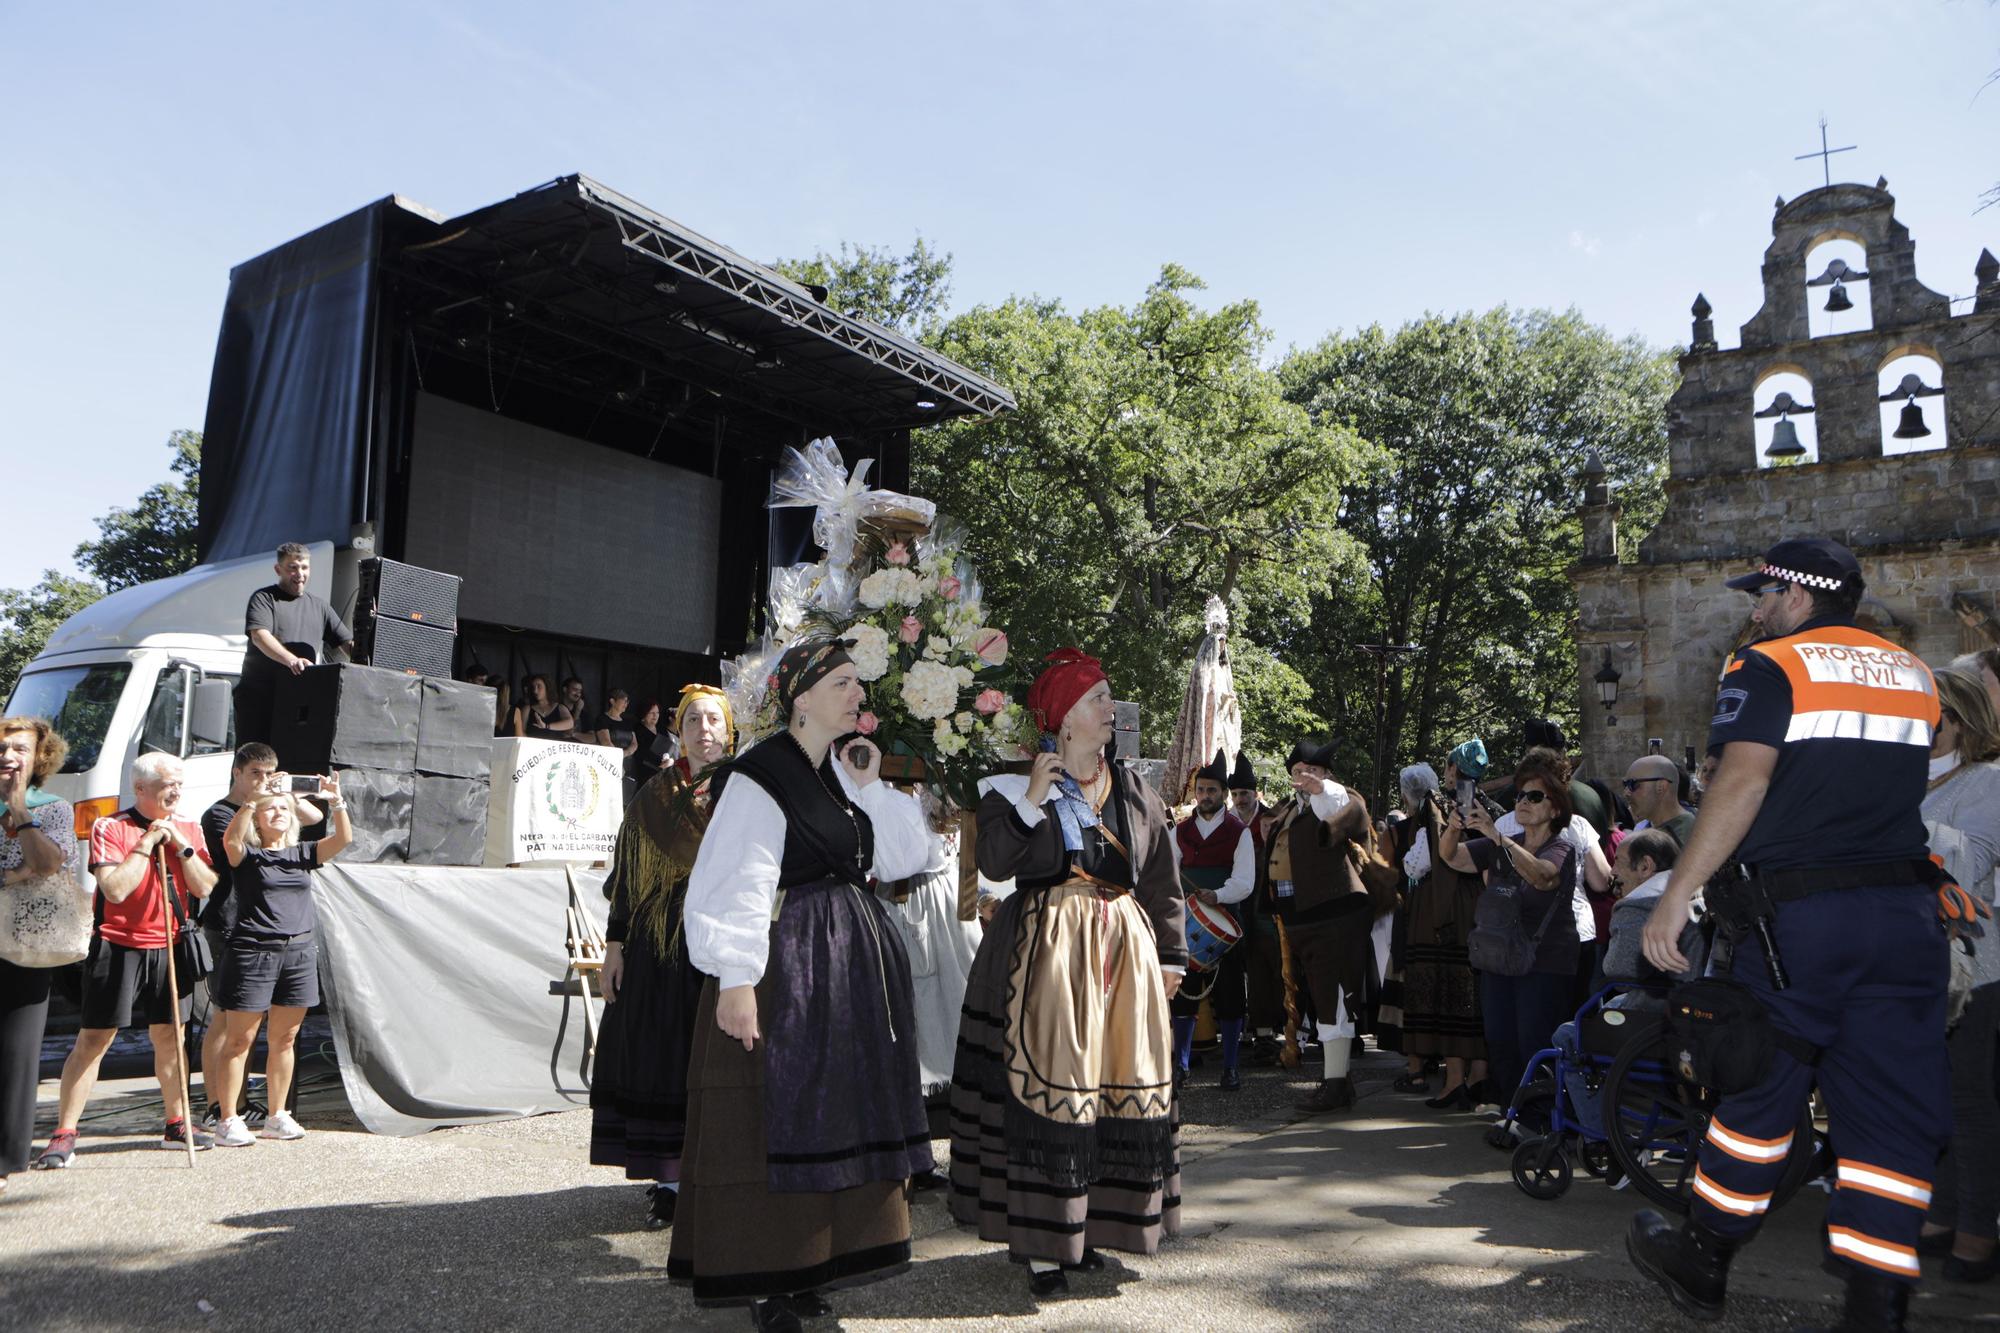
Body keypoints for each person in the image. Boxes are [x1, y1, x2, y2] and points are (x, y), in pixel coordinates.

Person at [1629, 537, 1950, 1331]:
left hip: (1801, 923)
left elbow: (1744, 780)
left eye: (1765, 593)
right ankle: (1877, 1306)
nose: (1756, 608)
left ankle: (1704, 1259)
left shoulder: (1770, 666)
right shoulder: (1916, 675)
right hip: (1907, 923)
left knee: (1754, 1086)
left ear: (1802, 597)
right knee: (1887, 1118)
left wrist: (1678, 894)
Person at [669, 638, 933, 1332]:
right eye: (843, 682)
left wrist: (871, 783)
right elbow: (739, 878)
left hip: (840, 979)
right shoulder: (763, 775)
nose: (858, 695)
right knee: (772, 1118)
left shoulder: (837, 776)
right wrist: (735, 978)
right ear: (802, 696)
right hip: (786, 971)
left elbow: (911, 853)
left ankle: (814, 1263)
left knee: (831, 1116)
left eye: (857, 683)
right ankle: (769, 1281)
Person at [948, 648, 1184, 1300]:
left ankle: (1084, 1235)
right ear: (1065, 719)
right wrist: (1030, 797)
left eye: (1108, 697)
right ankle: (1043, 1249)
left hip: (1121, 955)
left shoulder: (1134, 788)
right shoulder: (1015, 787)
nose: (1111, 709)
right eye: (1097, 699)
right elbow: (992, 861)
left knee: (1111, 1092)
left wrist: (1169, 954)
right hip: (1044, 955)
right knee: (1051, 1094)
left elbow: (1162, 876)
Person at [590, 683, 732, 1230]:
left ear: (729, 730)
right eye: (693, 719)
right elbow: (627, 877)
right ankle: (669, 1181)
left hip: (721, 941)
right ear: (680, 728)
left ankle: (721, 1168)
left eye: (713, 720)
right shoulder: (654, 793)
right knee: (663, 1057)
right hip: (660, 946)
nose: (704, 729)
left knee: (717, 1057)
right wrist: (615, 946)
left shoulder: (746, 790)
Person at [35, 753, 219, 1166]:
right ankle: (64, 1133)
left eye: (179, 784)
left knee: (171, 1037)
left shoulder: (188, 828)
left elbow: (205, 888)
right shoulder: (110, 826)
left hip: (170, 945)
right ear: (141, 788)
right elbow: (115, 889)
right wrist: (146, 844)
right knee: (95, 1039)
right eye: (168, 784)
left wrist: (182, 848)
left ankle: (176, 1122)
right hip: (118, 945)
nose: (176, 791)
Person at [1438, 749, 1580, 1140]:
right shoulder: (1503, 842)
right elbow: (1452, 858)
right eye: (1520, 795)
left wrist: (1497, 836)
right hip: (1500, 960)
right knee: (1501, 1041)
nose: (1522, 802)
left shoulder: (1561, 847)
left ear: (1555, 809)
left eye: (1535, 797)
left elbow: (1543, 877)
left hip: (1545, 963)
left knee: (1534, 1041)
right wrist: (1453, 826)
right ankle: (1517, 1113)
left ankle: (1544, 1122)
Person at [1914, 666, 2000, 1283]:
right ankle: (1942, 1210)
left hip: (1976, 968)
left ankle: (1979, 1224)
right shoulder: (1903, 781)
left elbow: (1969, 864)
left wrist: (1892, 817)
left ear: (1960, 721)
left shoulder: (1989, 782)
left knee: (1968, 1099)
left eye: (1928, 710)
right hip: (1912, 963)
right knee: (1928, 1097)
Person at [209, 775, 351, 1147]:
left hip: (298, 951)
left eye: (283, 809)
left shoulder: (301, 854)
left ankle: (277, 1115)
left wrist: (337, 802)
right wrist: (251, 801)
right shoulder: (249, 854)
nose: (278, 813)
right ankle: (227, 1118)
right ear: (257, 819)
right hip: (254, 952)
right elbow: (231, 842)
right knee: (240, 1040)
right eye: (270, 809)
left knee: (285, 1038)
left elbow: (342, 840)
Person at [198, 742, 321, 1125]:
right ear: (237, 773)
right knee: (227, 1017)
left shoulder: (275, 805)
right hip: (231, 920)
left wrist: (284, 794)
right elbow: (241, 848)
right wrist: (259, 802)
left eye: (270, 774)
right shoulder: (220, 814)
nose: (263, 781)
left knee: (263, 1025)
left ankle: (249, 1101)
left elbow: (314, 817)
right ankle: (218, 1105)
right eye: (256, 774)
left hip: (271, 924)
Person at [1257, 739, 1380, 1114]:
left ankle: (1336, 1085)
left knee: (1336, 1001)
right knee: (1323, 1000)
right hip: (1302, 919)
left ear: (1326, 774)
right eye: (1297, 773)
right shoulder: (1290, 811)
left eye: (1310, 772)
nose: (1302, 778)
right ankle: (1336, 1083)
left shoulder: (1339, 799)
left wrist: (1320, 789)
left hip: (1334, 917)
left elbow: (1343, 809)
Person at [0, 717, 79, 1194]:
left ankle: (6, 1160)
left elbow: (49, 863)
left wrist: (17, 809)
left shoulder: (53, 808)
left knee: (16, 1052)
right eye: (2, 748)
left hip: (24, 942)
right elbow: (25, 868)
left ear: (38, 759)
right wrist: (15, 873)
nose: (9, 756)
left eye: (20, 749)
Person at [1391, 762, 1488, 1109]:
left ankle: (1454, 1081)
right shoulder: (1481, 806)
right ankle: (1477, 1077)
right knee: (1467, 996)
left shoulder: (1435, 814)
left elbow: (1418, 864)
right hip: (1469, 905)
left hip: (1441, 908)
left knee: (1449, 992)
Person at [1170, 750, 1256, 1091]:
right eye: (1201, 790)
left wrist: (1217, 896)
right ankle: (1181, 1065)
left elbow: (1245, 881)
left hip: (1227, 923)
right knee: (1183, 996)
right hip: (1187, 922)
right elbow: (1168, 872)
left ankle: (1231, 1068)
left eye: (1212, 791)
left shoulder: (1239, 832)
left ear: (1223, 793)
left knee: (1231, 996)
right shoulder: (1179, 831)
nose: (1206, 796)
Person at [234, 542, 355, 748]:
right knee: (256, 764)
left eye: (304, 567)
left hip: (299, 704)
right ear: (278, 569)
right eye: (292, 567)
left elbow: (347, 644)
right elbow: (259, 636)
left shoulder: (320, 607)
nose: (299, 573)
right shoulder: (264, 599)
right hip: (260, 701)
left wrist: (373, 652)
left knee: (294, 765)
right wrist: (291, 660)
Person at [1226, 751, 1286, 1065]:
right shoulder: (1228, 823)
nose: (1239, 799)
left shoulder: (1270, 820)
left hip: (1265, 905)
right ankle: (1247, 1027)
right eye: (1235, 794)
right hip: (1237, 906)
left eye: (1244, 793)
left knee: (1268, 968)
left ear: (1255, 794)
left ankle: (1272, 1029)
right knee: (1240, 967)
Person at [1624, 754, 1695, 847]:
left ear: (1661, 786)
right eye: (1625, 784)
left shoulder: (1690, 833)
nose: (1626, 793)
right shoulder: (1646, 828)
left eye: (1633, 784)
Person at [513, 674, 574, 739]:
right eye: (533, 687)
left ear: (547, 687)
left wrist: (546, 726)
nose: (535, 691)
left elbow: (570, 723)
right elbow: (521, 731)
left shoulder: (559, 707)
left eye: (539, 686)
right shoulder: (527, 708)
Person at [629, 699, 666, 789]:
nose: (655, 716)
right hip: (645, 772)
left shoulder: (662, 730)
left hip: (663, 770)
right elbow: (640, 753)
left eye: (657, 713)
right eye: (651, 713)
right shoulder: (638, 730)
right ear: (644, 714)